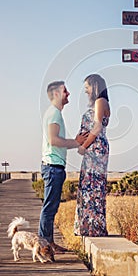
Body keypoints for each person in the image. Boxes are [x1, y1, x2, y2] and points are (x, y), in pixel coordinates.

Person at [39, 81, 88, 253]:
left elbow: (56, 141)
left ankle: (48, 243)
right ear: (57, 94)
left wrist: (75, 142)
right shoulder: (54, 114)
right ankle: (45, 245)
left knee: (51, 207)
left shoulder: (54, 114)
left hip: (54, 167)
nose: (69, 93)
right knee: (49, 208)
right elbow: (54, 140)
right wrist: (76, 142)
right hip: (53, 167)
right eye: (65, 91)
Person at [74, 74, 110, 237]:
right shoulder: (100, 103)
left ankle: (93, 227)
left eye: (87, 87)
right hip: (94, 147)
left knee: (92, 185)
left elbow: (96, 128)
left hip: (95, 148)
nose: (85, 91)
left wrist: (84, 146)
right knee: (90, 185)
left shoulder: (100, 102)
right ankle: (89, 226)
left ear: (94, 86)